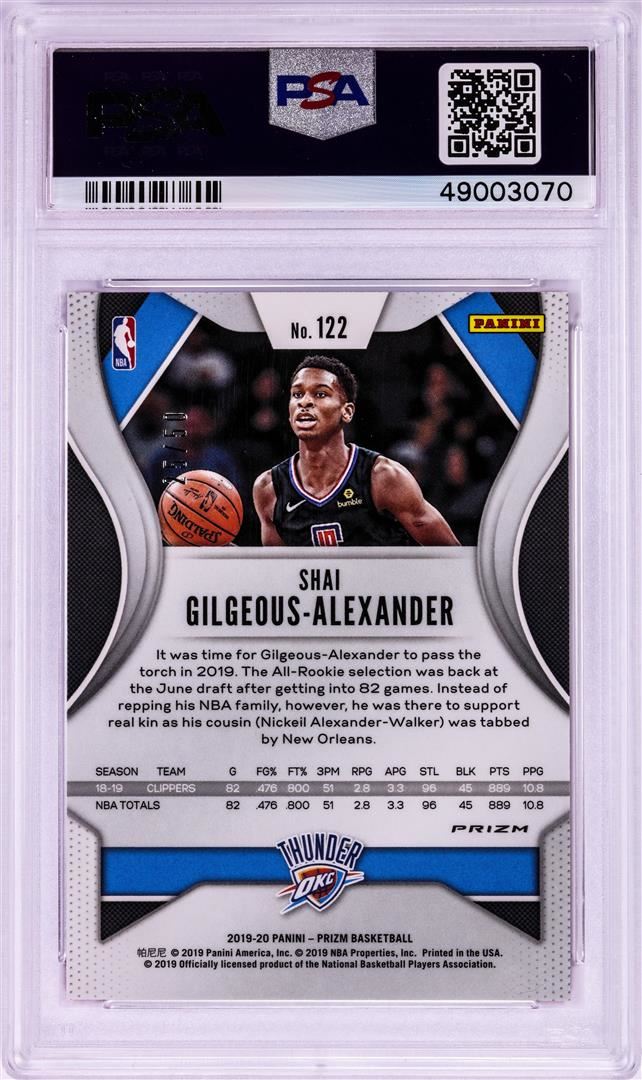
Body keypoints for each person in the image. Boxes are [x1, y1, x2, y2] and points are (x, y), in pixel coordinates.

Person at [253, 356, 459, 547]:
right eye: (297, 394)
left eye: (320, 394)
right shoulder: (269, 489)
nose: (304, 402)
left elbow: (453, 556)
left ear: (347, 411)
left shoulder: (384, 477)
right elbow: (278, 570)